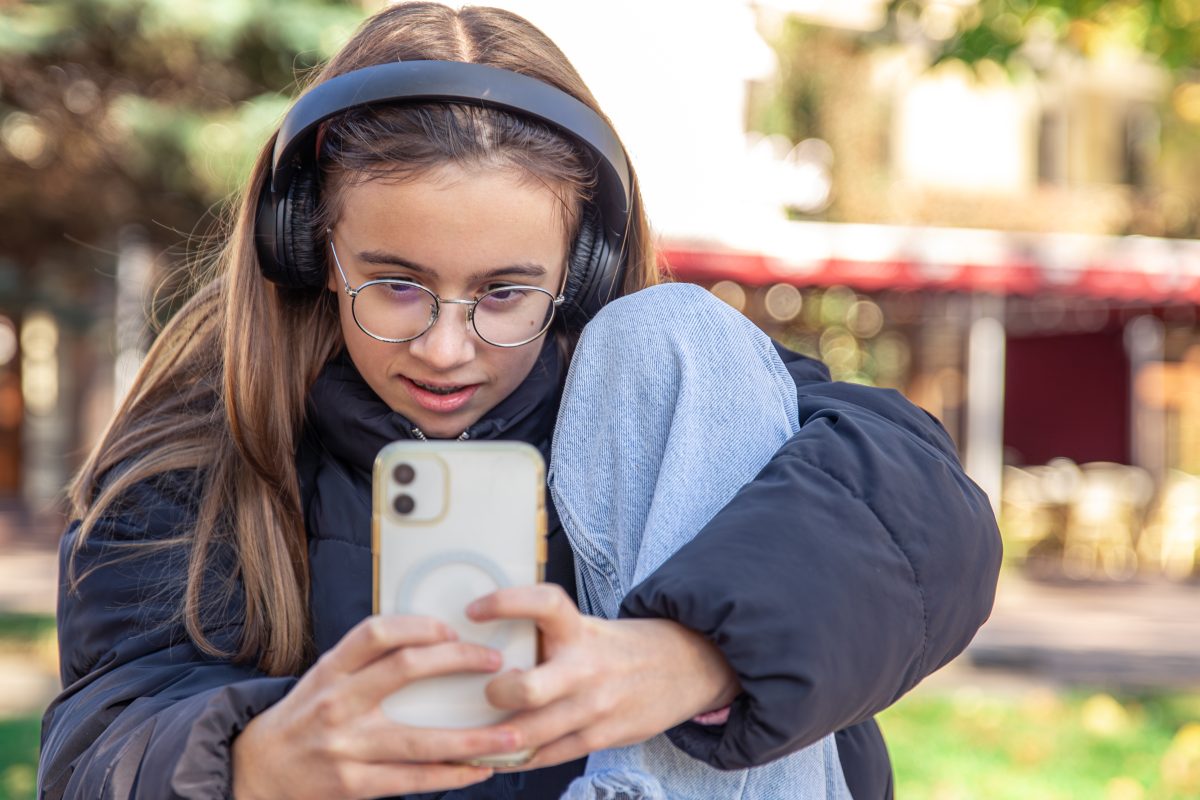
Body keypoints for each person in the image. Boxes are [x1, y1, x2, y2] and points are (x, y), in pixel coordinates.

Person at [38, 3, 1002, 799]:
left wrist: (693, 657)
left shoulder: (681, 404)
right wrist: (252, 764)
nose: (448, 348)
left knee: (679, 330)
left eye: (504, 294)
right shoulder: (190, 466)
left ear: (579, 276)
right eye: (397, 284)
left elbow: (923, 517)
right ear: (310, 253)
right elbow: (95, 748)